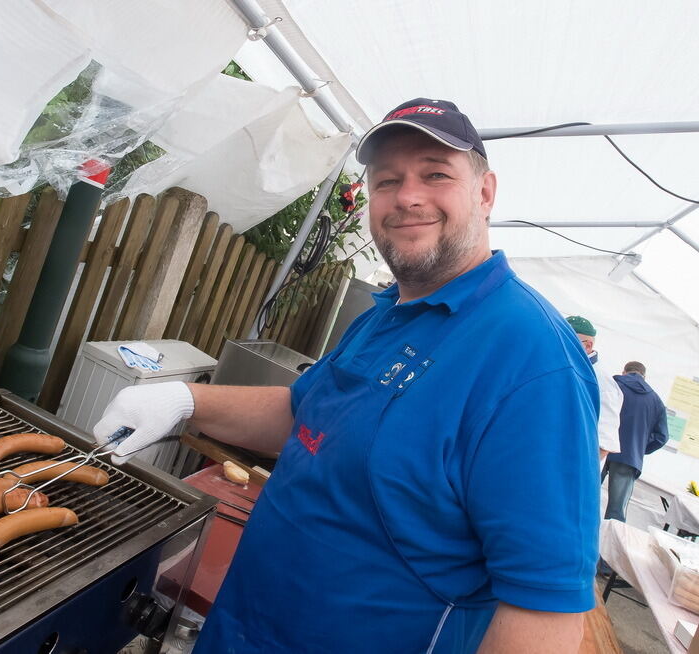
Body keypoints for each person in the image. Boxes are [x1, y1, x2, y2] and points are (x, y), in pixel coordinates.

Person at [94, 98, 600, 653]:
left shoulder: (532, 359)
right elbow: (304, 416)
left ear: (484, 193)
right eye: (387, 181)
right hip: (242, 630)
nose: (407, 197)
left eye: (436, 174)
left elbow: (542, 611)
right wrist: (184, 401)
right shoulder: (385, 314)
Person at [602, 361, 669, 521]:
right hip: (629, 457)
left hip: (601, 447)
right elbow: (662, 437)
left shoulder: (613, 385)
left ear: (624, 372)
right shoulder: (656, 401)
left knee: (583, 496)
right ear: (644, 377)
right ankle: (608, 545)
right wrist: (639, 447)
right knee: (616, 511)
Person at [566, 315, 623, 462]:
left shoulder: (602, 382)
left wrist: (575, 473)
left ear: (588, 346)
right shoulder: (567, 369)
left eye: (568, 340)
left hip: (574, 471)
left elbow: (604, 443)